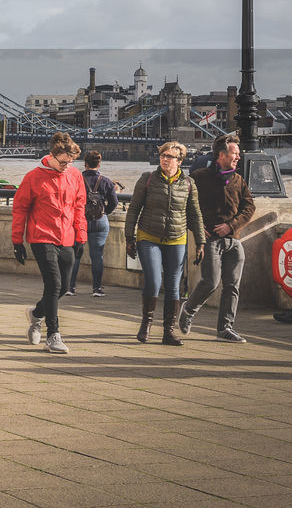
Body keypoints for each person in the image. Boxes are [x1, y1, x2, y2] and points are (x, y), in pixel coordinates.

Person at [11, 132, 87, 354]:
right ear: (52, 156)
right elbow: (20, 209)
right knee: (53, 284)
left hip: (66, 238)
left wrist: (81, 236)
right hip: (41, 236)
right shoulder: (33, 177)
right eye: (63, 162)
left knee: (64, 286)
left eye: (71, 162)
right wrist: (17, 241)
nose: (67, 166)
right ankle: (53, 336)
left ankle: (36, 314)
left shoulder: (75, 176)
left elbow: (79, 207)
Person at [124, 140, 204, 346]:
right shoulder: (147, 179)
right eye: (162, 155)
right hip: (148, 236)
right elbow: (133, 209)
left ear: (180, 160)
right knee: (153, 281)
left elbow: (195, 214)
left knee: (173, 286)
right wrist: (129, 237)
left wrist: (201, 242)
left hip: (177, 238)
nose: (164, 159)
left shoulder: (188, 184)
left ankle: (169, 331)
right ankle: (146, 324)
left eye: (169, 156)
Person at [179, 134, 255, 343]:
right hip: (210, 239)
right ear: (221, 155)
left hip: (234, 239)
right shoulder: (199, 177)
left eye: (239, 153)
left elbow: (249, 207)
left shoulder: (239, 179)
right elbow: (183, 204)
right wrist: (198, 227)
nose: (238, 157)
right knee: (211, 282)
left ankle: (225, 328)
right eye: (235, 153)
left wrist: (232, 225)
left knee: (232, 286)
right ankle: (188, 311)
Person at [73, 150, 118, 297]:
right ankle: (96, 289)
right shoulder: (106, 181)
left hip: (80, 220)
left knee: (75, 255)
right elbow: (114, 202)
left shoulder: (76, 179)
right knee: (97, 255)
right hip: (100, 221)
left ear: (85, 164)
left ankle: (70, 287)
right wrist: (104, 213)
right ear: (99, 164)